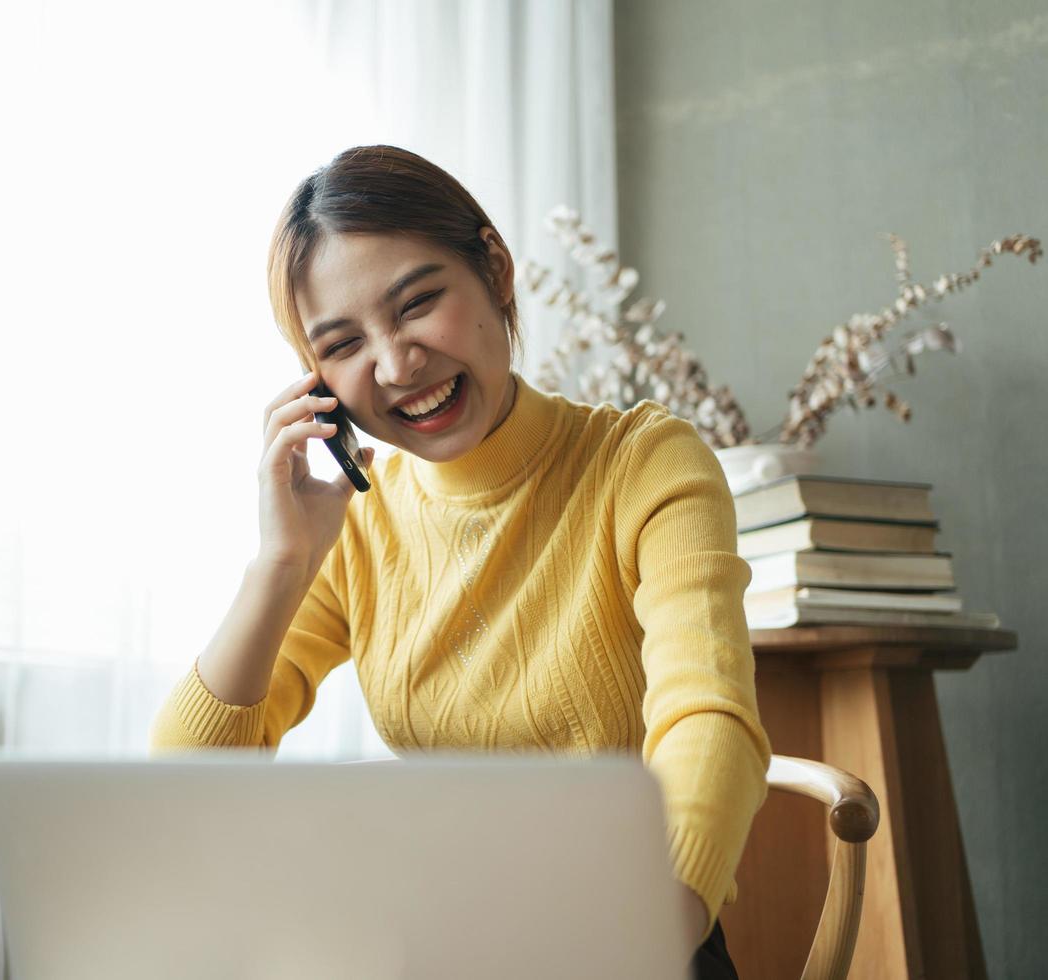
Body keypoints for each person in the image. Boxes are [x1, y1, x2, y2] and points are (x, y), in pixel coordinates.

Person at [149, 144, 769, 979]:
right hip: (439, 944)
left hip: (632, 935)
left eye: (418, 304)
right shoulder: (362, 526)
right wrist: (280, 565)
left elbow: (707, 719)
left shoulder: (644, 463)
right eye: (342, 345)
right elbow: (184, 788)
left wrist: (646, 931)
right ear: (317, 387)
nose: (398, 365)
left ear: (497, 271)